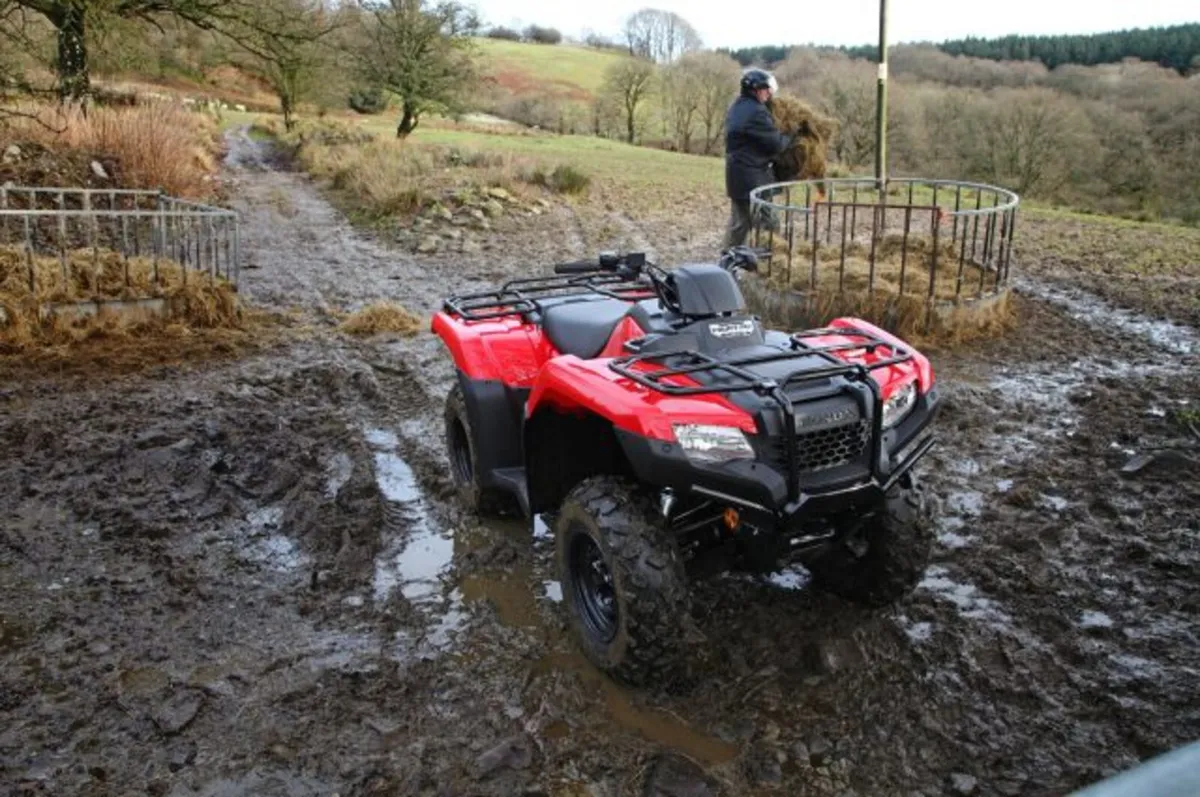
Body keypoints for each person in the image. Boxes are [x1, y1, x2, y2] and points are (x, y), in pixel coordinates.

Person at [723, 68, 792, 249]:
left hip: (737, 175)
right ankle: (769, 258)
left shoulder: (737, 106)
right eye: (765, 89)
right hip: (752, 178)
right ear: (755, 90)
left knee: (739, 223)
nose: (769, 93)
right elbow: (776, 144)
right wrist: (791, 135)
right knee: (769, 223)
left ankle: (728, 258)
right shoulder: (757, 113)